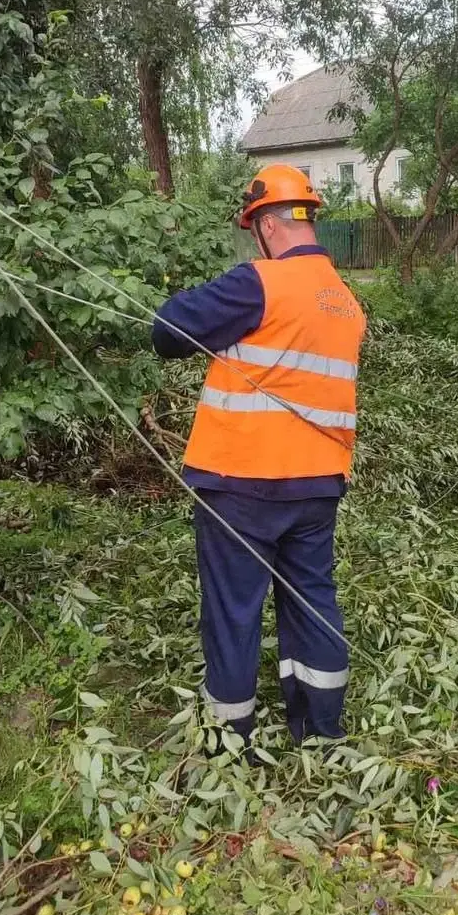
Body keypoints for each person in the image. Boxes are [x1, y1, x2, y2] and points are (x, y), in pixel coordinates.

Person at [151, 164, 366, 747]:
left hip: (240, 482)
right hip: (318, 485)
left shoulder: (258, 284)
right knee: (311, 601)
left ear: (267, 224)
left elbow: (168, 330)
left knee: (234, 610)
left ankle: (231, 739)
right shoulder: (347, 303)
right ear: (308, 220)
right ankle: (319, 729)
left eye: (254, 228)